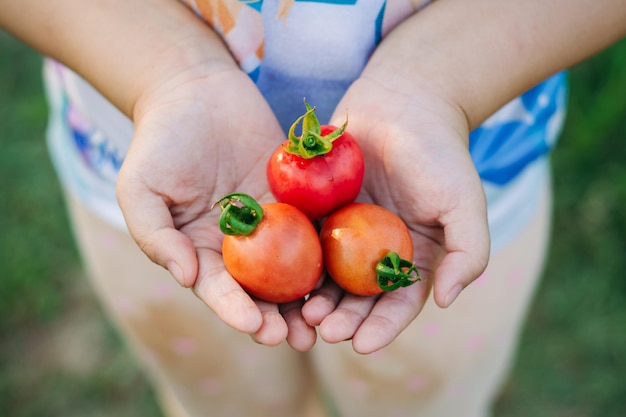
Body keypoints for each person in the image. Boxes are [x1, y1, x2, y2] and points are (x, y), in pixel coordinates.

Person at [1, 0, 625, 416]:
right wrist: (166, 73)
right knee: (221, 398)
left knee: (426, 397)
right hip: (159, 171)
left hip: (461, 172)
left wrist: (443, 80)